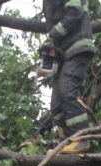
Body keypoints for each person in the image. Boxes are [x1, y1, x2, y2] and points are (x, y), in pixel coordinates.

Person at [41, 0, 95, 153]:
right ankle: (66, 142)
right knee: (56, 104)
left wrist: (53, 36)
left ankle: (81, 139)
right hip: (65, 54)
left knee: (67, 91)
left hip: (77, 48)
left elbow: (75, 11)